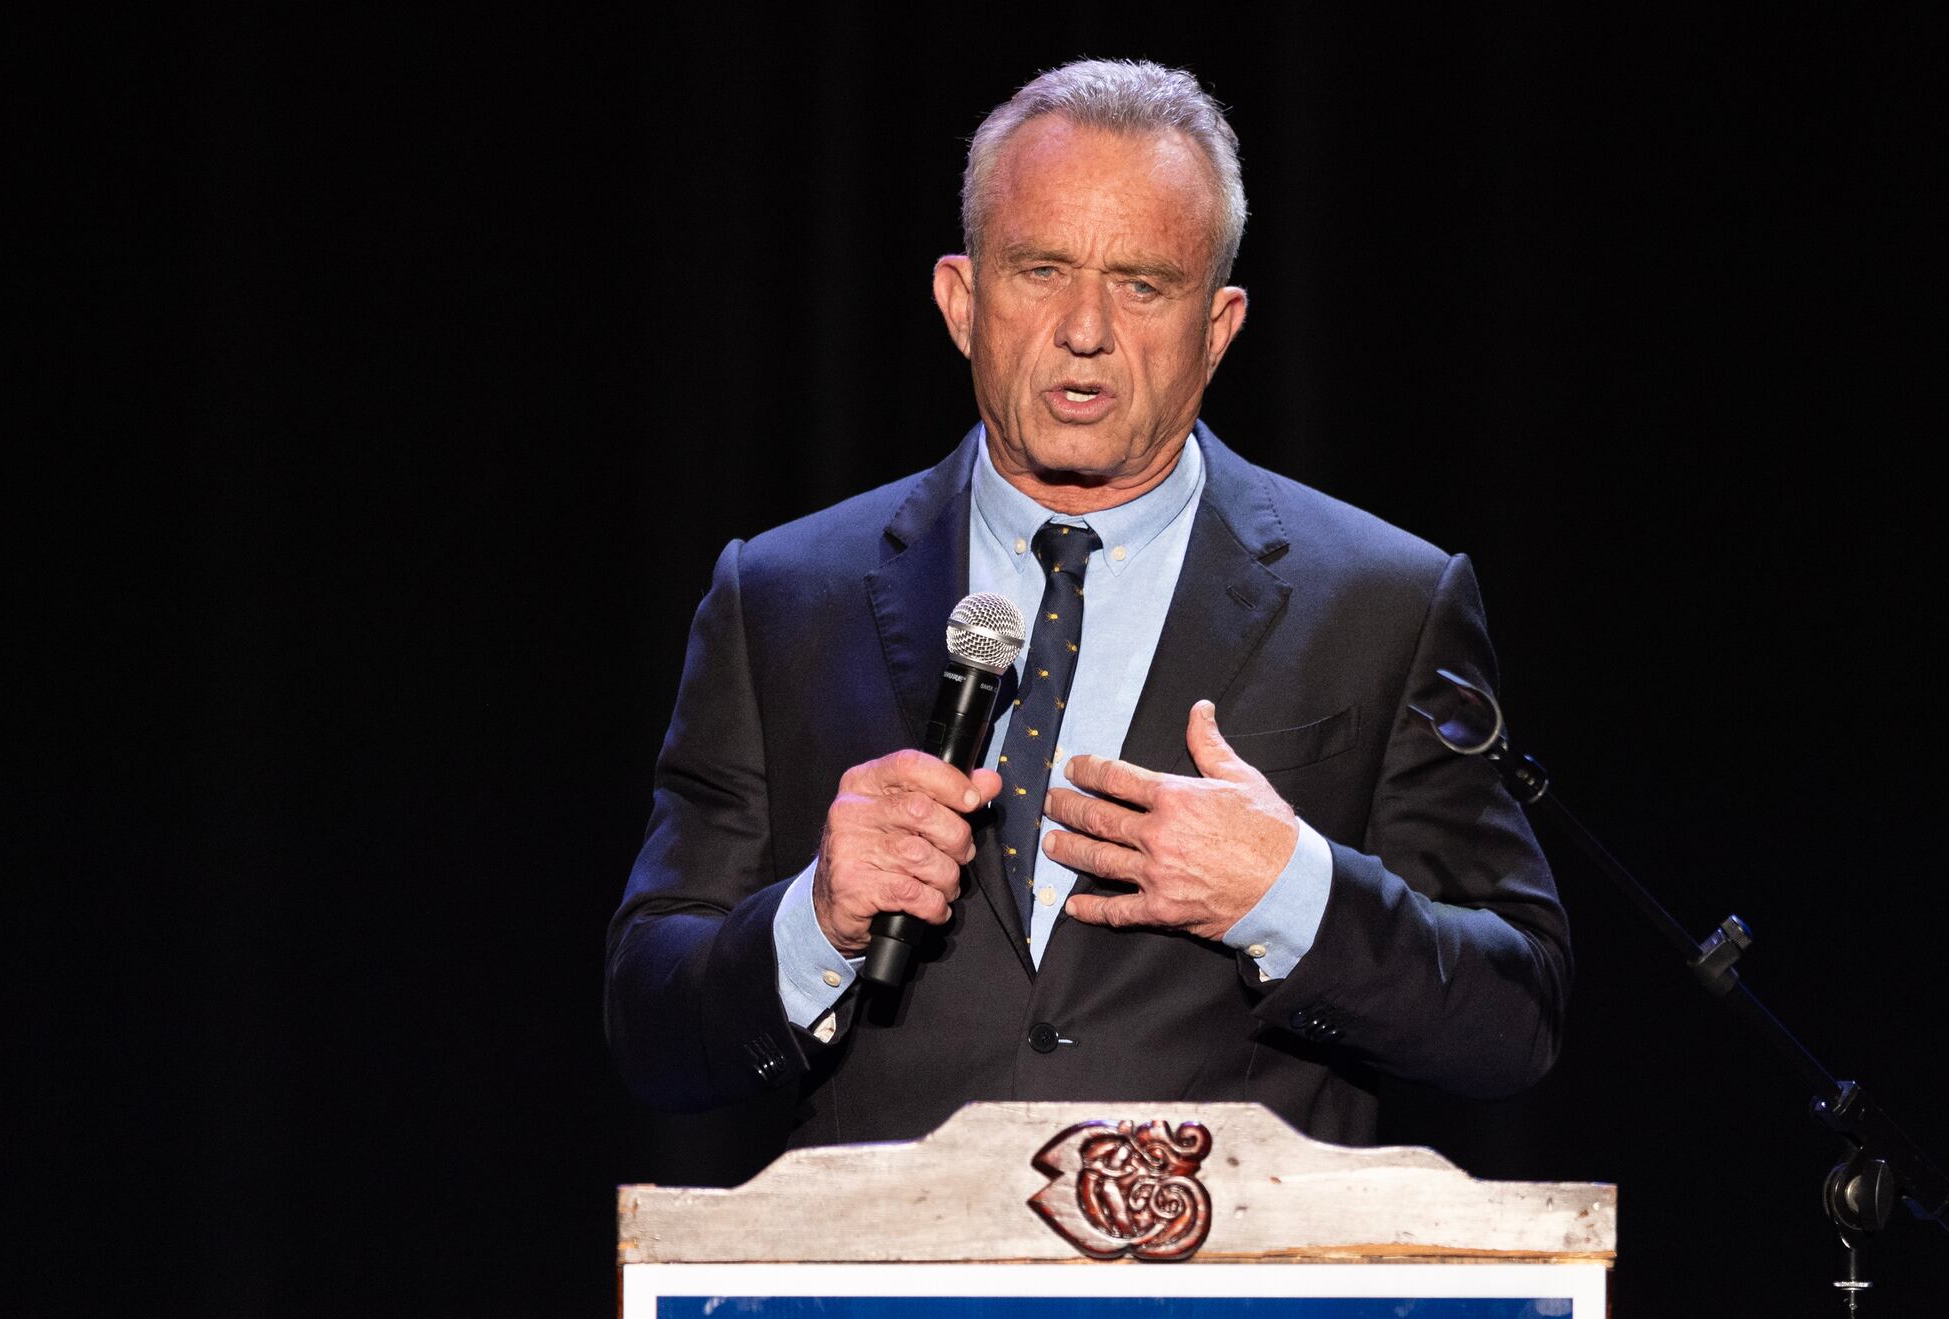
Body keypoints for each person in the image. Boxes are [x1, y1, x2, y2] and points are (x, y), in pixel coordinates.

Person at [606, 59, 1568, 1154]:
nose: (1085, 328)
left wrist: (1287, 890)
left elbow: (1514, 1018)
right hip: (889, 1303)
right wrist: (812, 918)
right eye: (1040, 269)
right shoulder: (781, 596)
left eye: (1144, 284)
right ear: (962, 302)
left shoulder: (1382, 602)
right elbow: (651, 1025)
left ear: (1219, 327)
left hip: (1237, 1303)